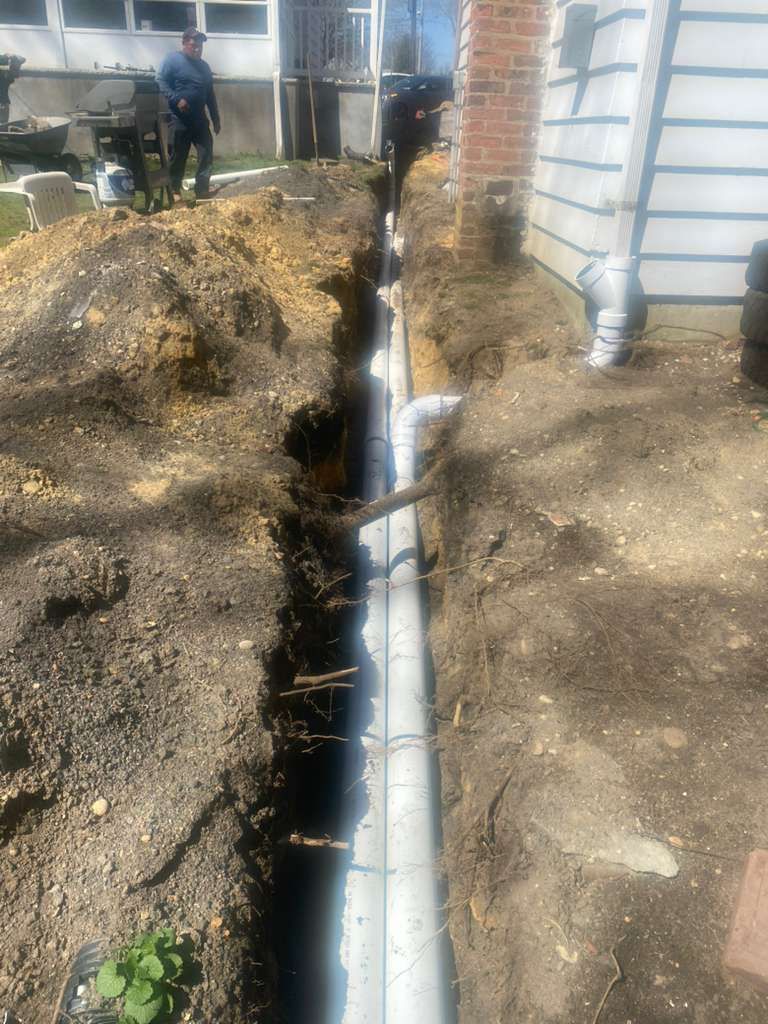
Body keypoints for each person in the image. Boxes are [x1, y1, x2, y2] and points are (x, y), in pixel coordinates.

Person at [156, 28, 221, 200]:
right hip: (179, 119)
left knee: (206, 153)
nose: (197, 49)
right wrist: (177, 98)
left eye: (200, 46)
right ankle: (175, 191)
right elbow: (160, 80)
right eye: (194, 45)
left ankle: (201, 189)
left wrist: (216, 118)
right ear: (184, 44)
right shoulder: (173, 60)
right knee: (178, 156)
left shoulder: (204, 67)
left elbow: (210, 95)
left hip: (199, 119)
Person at [0, 54, 25, 127]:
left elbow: (22, 59)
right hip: (3, 104)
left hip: (3, 104)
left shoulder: (5, 77)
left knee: (3, 126)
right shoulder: (5, 76)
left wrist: (8, 57)